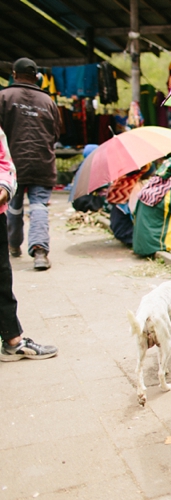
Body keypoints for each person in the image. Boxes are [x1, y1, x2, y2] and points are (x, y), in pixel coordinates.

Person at [0, 125, 58, 361]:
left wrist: (3, 188)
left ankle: (13, 339)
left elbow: (4, 164)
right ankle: (38, 251)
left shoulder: (5, 102)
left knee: (1, 276)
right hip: (41, 170)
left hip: (21, 180)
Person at [0, 58, 61, 271]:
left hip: (11, 165)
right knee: (39, 206)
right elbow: (56, 133)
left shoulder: (4, 97)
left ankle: (13, 244)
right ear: (36, 77)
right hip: (42, 163)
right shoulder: (48, 101)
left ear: (14, 75)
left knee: (12, 206)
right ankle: (40, 252)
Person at [106, 163, 154, 246]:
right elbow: (136, 212)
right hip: (126, 233)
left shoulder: (124, 183)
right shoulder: (134, 187)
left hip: (119, 229)